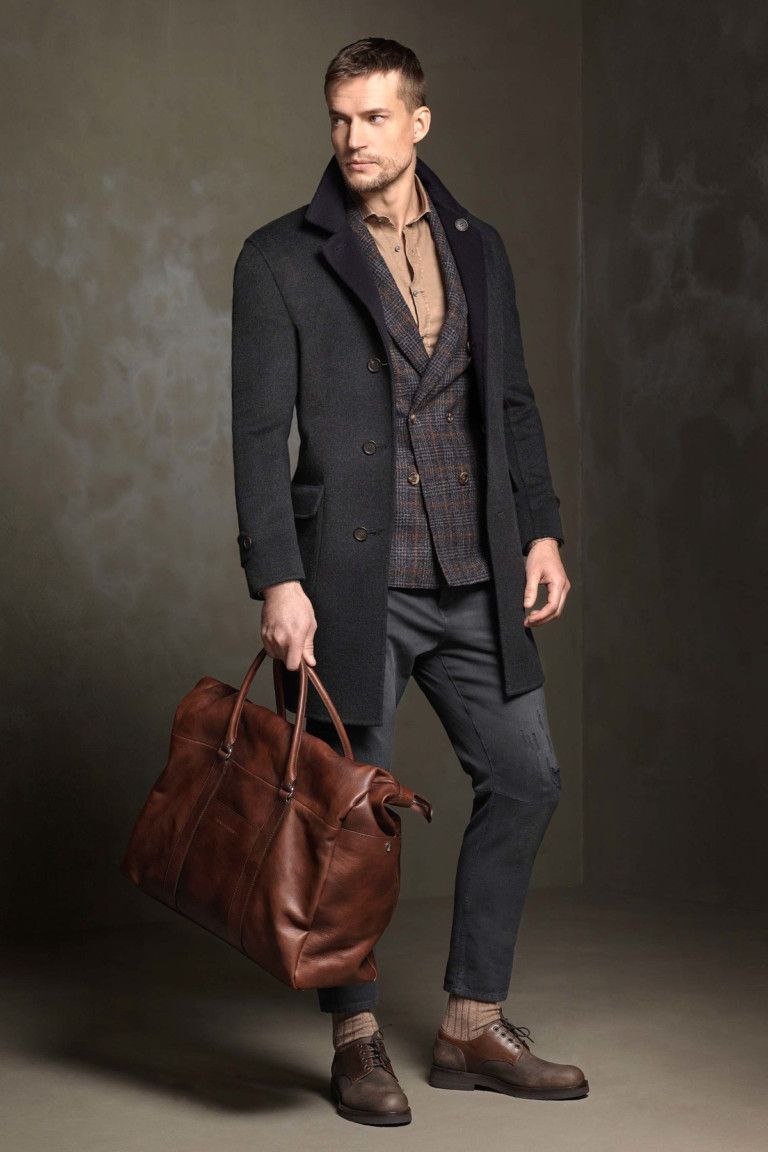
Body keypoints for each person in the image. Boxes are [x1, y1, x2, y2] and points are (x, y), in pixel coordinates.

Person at [231, 36, 588, 1126]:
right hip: (350, 582)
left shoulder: (480, 248)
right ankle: (355, 1037)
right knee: (347, 813)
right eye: (339, 119)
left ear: (418, 122)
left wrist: (541, 530)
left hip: (474, 568)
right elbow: (257, 436)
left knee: (525, 777)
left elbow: (511, 402)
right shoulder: (278, 257)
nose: (353, 138)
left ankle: (473, 1023)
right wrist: (278, 578)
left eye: (374, 117)